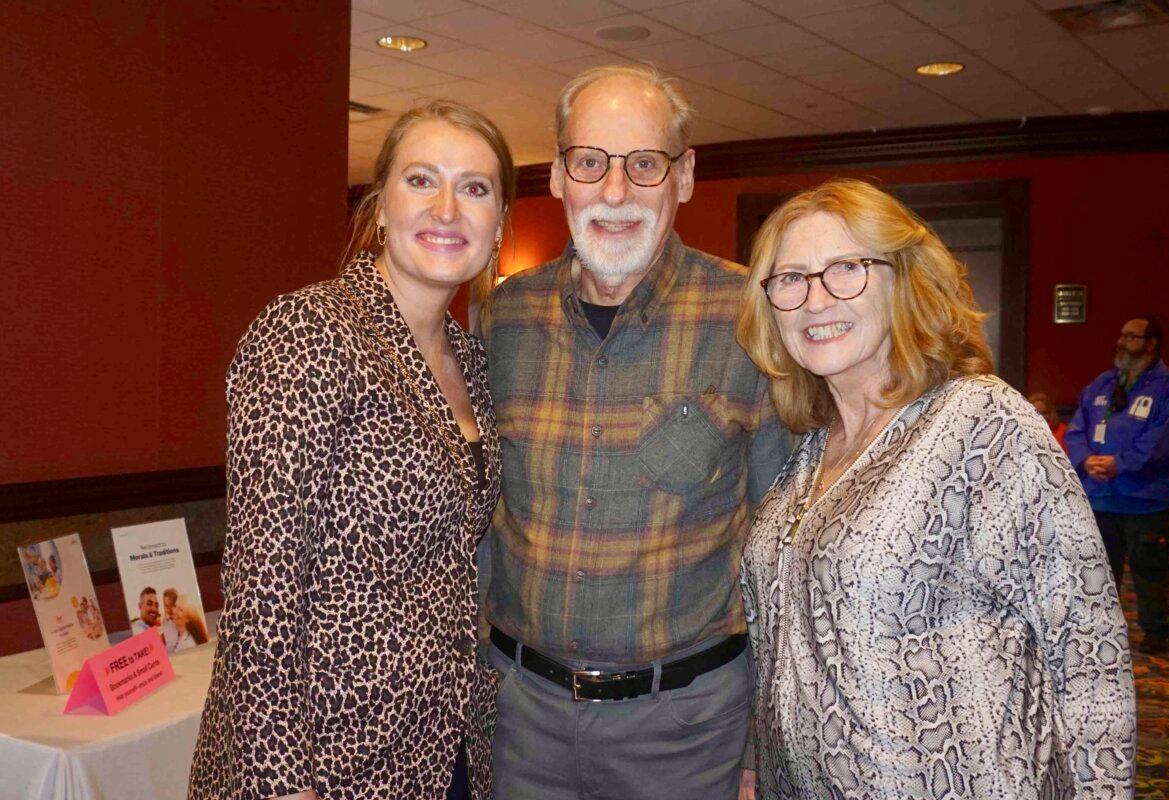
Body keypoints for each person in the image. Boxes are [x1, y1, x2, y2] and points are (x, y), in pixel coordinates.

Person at [736, 178, 1136, 798]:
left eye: (846, 268)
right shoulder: (810, 453)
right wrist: (758, 763)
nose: (816, 299)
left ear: (903, 279)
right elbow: (781, 646)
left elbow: (1088, 654)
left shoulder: (981, 425)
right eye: (790, 279)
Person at [189, 100, 514, 800]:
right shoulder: (310, 333)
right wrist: (283, 782)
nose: (448, 208)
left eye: (476, 188)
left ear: (499, 227)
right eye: (422, 180)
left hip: (441, 745)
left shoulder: (473, 363)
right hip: (324, 757)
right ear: (381, 208)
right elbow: (261, 586)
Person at [480, 64, 787, 800]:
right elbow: (481, 525)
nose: (614, 192)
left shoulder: (752, 316)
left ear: (683, 177)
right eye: (590, 162)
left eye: (644, 164)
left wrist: (760, 747)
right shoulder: (500, 318)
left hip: (686, 732)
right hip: (522, 722)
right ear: (556, 175)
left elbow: (784, 551)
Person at [1064, 315, 1169, 654]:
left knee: (1150, 570)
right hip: (1101, 498)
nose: (1122, 342)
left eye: (1132, 337)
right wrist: (1087, 459)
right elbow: (1077, 428)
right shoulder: (1102, 385)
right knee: (1100, 571)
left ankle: (1156, 631)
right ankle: (1102, 630)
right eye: (1121, 335)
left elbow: (1164, 440)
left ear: (1151, 344)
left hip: (1146, 499)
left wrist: (1120, 464)